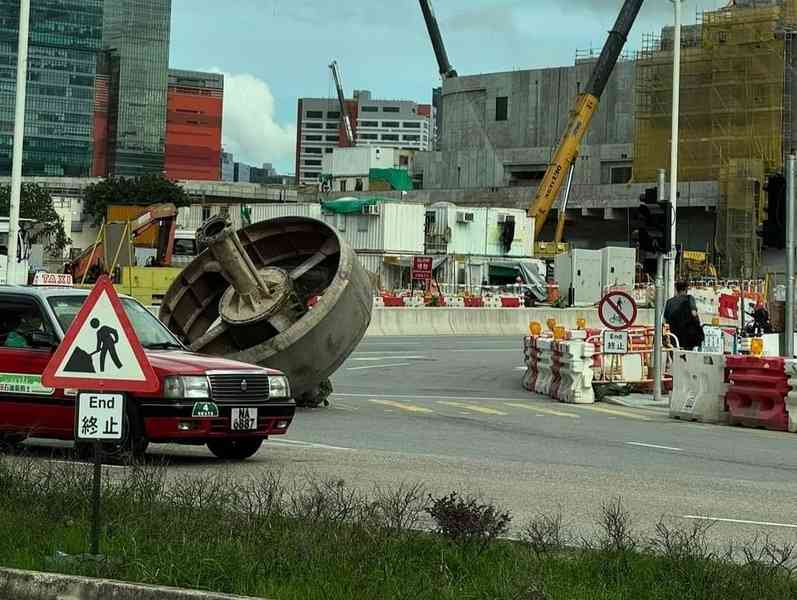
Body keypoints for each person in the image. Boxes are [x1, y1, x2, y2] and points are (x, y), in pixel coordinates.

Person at [664, 280, 704, 350]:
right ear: (686, 289)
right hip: (688, 337)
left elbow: (666, 320)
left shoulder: (669, 302)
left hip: (674, 337)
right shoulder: (689, 299)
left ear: (676, 289)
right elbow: (694, 313)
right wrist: (698, 327)